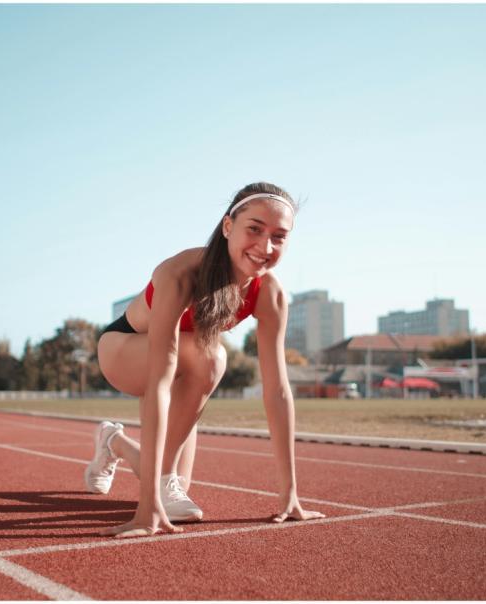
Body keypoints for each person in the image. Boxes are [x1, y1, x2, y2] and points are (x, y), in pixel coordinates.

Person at [87, 181, 325, 538]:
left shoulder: (270, 293)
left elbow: (277, 391)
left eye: (279, 236)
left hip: (187, 364)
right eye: (255, 230)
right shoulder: (181, 273)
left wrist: (290, 493)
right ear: (228, 226)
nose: (265, 246)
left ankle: (114, 442)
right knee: (212, 355)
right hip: (124, 349)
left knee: (173, 483)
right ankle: (150, 486)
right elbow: (160, 378)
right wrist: (146, 508)